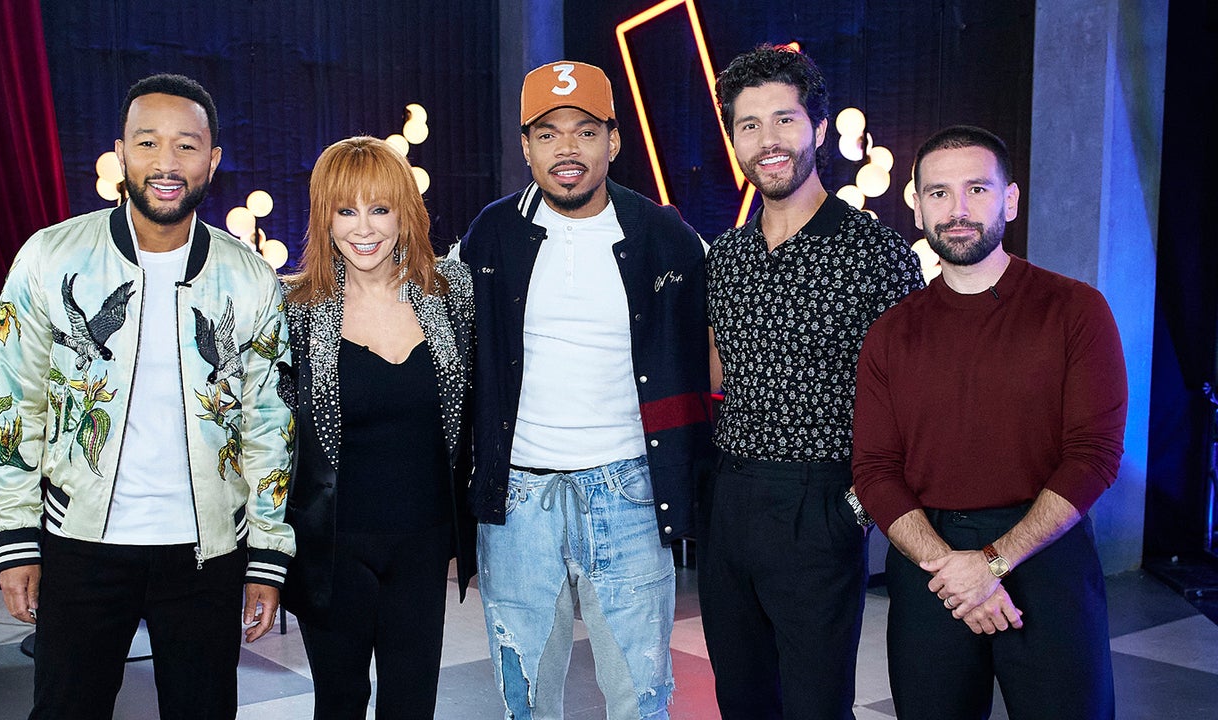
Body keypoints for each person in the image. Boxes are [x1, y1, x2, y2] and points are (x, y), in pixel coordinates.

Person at [0, 73, 294, 720]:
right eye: (148, 143)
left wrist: (267, 555)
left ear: (213, 159)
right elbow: (13, 403)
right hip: (79, 541)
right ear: (120, 152)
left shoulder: (250, 277)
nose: (166, 163)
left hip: (208, 552)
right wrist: (14, 536)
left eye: (186, 145)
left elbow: (270, 422)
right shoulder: (49, 257)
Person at [459, 60, 712, 720]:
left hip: (628, 491)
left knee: (641, 700)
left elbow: (710, 351)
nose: (566, 149)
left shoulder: (664, 235)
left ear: (614, 140)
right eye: (547, 134)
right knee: (526, 703)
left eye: (584, 131)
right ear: (525, 146)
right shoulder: (491, 233)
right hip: (519, 498)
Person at [852, 125, 1126, 719]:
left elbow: (1093, 456)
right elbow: (873, 470)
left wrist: (992, 563)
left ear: (1010, 200)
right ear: (918, 206)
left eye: (976, 189)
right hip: (930, 567)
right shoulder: (891, 333)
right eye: (939, 193)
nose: (957, 209)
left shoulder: (1075, 309)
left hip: (1045, 556)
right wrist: (952, 571)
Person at [703, 45, 925, 719]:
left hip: (821, 501)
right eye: (749, 125)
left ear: (820, 129)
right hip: (730, 500)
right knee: (742, 700)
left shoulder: (876, 253)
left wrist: (854, 509)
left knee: (816, 706)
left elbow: (913, 402)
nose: (768, 140)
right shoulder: (727, 255)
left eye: (785, 120)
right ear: (735, 140)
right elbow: (718, 372)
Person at [278, 136, 475, 719]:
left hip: (424, 543)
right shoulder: (293, 309)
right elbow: (270, 435)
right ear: (325, 218)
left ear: (404, 213)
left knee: (411, 704)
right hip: (332, 546)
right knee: (339, 702)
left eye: (380, 209)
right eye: (346, 210)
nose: (363, 228)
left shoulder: (452, 295)